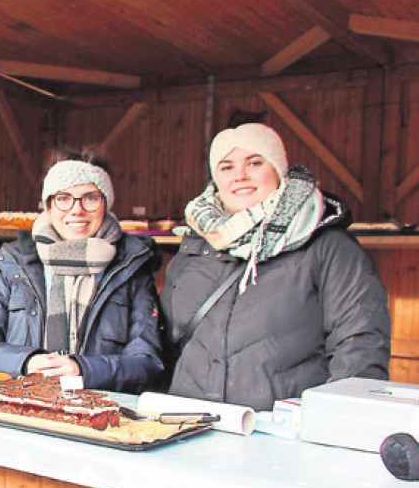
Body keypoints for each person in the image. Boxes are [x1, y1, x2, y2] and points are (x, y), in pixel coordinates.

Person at [160, 122, 391, 410]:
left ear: (278, 169)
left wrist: (332, 421)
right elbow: (168, 346)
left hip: (278, 433)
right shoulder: (196, 246)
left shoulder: (327, 246)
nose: (240, 176)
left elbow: (359, 345)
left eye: (255, 162)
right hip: (190, 426)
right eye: (226, 167)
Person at [0, 151, 164, 393]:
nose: (77, 210)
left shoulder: (131, 270)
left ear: (105, 204)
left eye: (90, 198)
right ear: (48, 205)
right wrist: (26, 361)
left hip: (100, 415)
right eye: (64, 198)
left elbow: (147, 364)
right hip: (22, 407)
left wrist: (82, 369)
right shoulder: (17, 266)